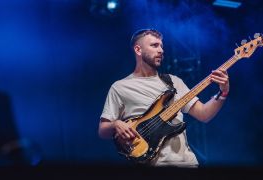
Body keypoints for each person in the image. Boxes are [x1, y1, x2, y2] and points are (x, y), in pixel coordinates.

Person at [98, 28, 230, 168]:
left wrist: (223, 92)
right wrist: (115, 124)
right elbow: (103, 131)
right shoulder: (120, 87)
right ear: (138, 50)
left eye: (161, 46)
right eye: (154, 45)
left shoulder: (174, 82)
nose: (161, 50)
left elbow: (204, 115)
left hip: (187, 164)